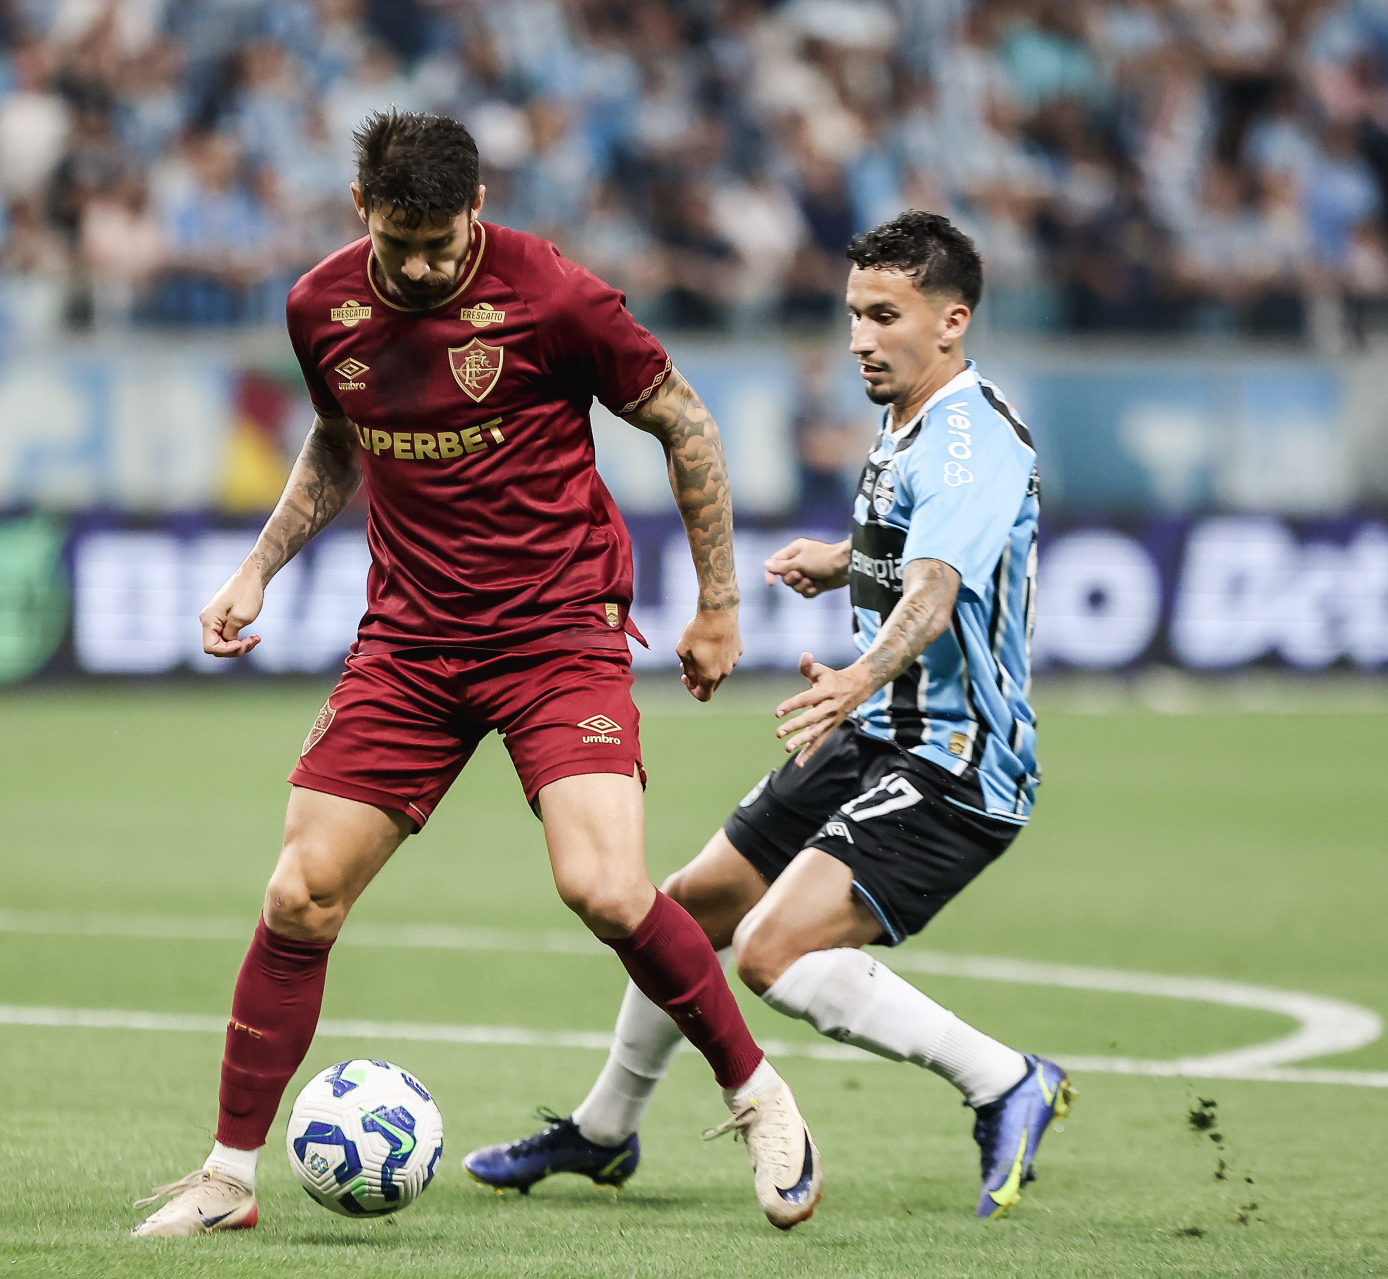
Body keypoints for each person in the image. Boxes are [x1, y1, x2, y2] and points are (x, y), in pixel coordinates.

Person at [131, 110, 821, 1239]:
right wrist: (257, 568)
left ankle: (760, 1096)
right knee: (299, 894)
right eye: (399, 243)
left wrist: (718, 604)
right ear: (364, 212)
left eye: (441, 245)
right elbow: (340, 436)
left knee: (603, 886)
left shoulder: (552, 296)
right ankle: (226, 1177)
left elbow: (684, 422)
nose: (419, 266)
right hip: (409, 644)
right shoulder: (319, 307)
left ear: (478, 211)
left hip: (557, 630)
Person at [464, 210, 1074, 1220]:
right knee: (684, 908)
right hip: (880, 737)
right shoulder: (914, 418)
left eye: (886, 315)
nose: (860, 338)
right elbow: (916, 540)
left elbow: (938, 583)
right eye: (853, 314)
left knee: (770, 952)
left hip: (954, 763)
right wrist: (842, 560)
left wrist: (858, 673)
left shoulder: (968, 436)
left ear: (953, 321)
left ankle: (1006, 1080)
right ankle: (606, 1130)